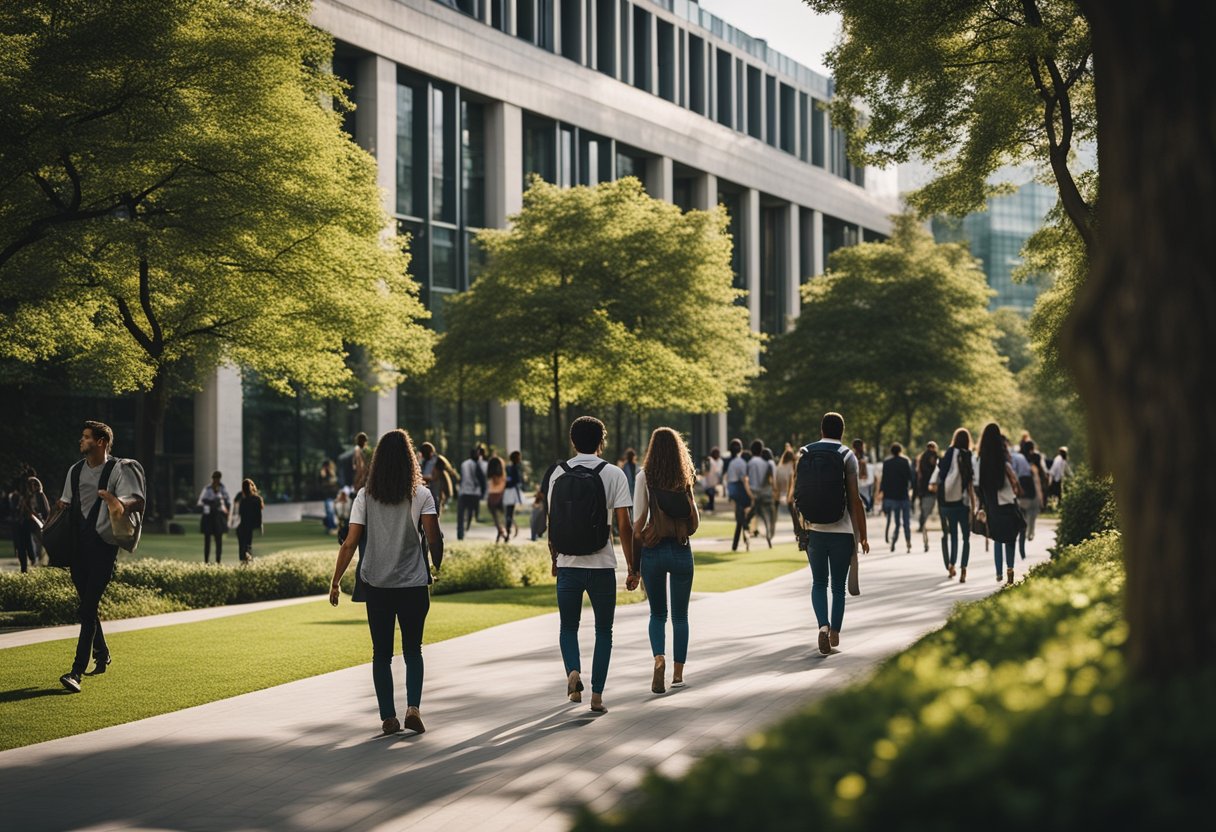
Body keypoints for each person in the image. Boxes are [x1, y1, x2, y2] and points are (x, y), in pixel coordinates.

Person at [329, 428, 444, 736]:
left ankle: (388, 718)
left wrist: (335, 581)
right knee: (413, 650)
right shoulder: (421, 494)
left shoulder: (365, 496)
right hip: (413, 584)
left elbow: (350, 543)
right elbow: (433, 537)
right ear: (411, 461)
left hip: (376, 584)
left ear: (377, 461)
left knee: (381, 654)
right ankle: (413, 709)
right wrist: (437, 564)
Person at [547, 416, 637, 714]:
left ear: (573, 441)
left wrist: (554, 559)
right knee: (604, 631)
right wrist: (632, 567)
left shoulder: (557, 473)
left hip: (568, 563)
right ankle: (597, 696)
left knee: (568, 627)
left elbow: (553, 521)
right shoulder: (614, 473)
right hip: (601, 565)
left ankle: (573, 671)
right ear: (602, 441)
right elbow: (624, 526)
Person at [56, 421, 145, 693]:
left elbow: (138, 500)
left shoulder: (119, 469)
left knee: (87, 607)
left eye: (86, 437)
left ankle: (76, 672)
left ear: (102, 442)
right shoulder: (74, 471)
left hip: (104, 548)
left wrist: (120, 504)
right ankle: (102, 652)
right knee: (88, 606)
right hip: (78, 549)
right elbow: (66, 504)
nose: (81, 441)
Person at [791, 412, 870, 655]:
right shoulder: (847, 455)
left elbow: (798, 494)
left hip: (814, 530)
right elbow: (855, 499)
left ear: (822, 430)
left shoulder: (804, 452)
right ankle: (835, 631)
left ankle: (822, 627)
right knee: (837, 586)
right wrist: (864, 535)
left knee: (818, 582)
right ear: (842, 431)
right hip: (842, 531)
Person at [632, 427, 699, 694]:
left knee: (657, 614)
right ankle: (678, 674)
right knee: (680, 616)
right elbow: (695, 520)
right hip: (681, 549)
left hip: (654, 551)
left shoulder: (643, 478)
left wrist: (634, 566)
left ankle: (658, 658)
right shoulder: (685, 477)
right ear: (678, 451)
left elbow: (638, 523)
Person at [929, 429, 978, 581]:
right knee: (966, 538)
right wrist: (973, 504)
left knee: (954, 536)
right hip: (963, 502)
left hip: (947, 502)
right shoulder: (969, 455)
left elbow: (941, 473)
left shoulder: (950, 452)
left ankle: (951, 565)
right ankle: (964, 569)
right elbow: (971, 481)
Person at [979, 424, 1023, 585]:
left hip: (992, 504)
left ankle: (998, 573)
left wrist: (983, 505)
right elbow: (1013, 480)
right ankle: (1010, 570)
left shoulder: (981, 460)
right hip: (1007, 501)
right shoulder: (1003, 457)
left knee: (997, 538)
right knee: (1010, 537)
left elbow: (980, 485)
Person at [878, 444, 914, 553]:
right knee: (906, 522)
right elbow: (910, 478)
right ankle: (908, 542)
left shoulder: (887, 463)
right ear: (900, 451)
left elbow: (884, 479)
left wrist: (881, 492)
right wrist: (911, 488)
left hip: (892, 496)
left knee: (897, 522)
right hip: (903, 495)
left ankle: (893, 541)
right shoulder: (905, 462)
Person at [1017, 439, 1047, 556]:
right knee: (1033, 513)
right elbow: (1038, 482)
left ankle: (1024, 532)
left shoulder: (1019, 460)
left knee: (1023, 514)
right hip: (1032, 493)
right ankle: (1030, 532)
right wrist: (1041, 498)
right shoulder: (1034, 464)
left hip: (1021, 494)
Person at [744, 441, 776, 547]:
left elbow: (746, 479)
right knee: (764, 516)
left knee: (748, 517)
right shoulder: (765, 463)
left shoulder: (750, 463)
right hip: (763, 494)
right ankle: (768, 538)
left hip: (753, 494)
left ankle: (747, 537)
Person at [16, 476, 50, 572]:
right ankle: (25, 567)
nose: (30, 487)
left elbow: (45, 510)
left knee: (40, 544)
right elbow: (20, 511)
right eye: (29, 485)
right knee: (24, 546)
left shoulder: (40, 495)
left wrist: (40, 519)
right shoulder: (26, 497)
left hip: (37, 524)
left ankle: (41, 562)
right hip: (26, 524)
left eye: (33, 484)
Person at [723, 438, 752, 552]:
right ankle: (747, 532)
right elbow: (744, 479)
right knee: (743, 517)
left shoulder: (730, 462)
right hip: (739, 488)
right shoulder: (742, 462)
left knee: (740, 518)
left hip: (732, 488)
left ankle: (736, 544)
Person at [197, 471, 231, 564]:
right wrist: (210, 502)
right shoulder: (207, 489)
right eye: (215, 478)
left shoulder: (222, 489)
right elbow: (201, 501)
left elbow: (227, 501)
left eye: (218, 478)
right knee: (207, 540)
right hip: (208, 516)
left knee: (218, 540)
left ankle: (218, 560)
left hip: (218, 516)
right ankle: (206, 560)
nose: (216, 480)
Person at [914, 442, 940, 553]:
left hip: (923, 490)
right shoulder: (934, 455)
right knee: (934, 514)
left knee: (924, 515)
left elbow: (918, 476)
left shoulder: (921, 458)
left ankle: (925, 541)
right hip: (934, 490)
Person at [457, 446, 486, 540]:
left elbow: (461, 478)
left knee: (461, 514)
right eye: (478, 454)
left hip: (464, 492)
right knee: (470, 511)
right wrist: (483, 492)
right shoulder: (479, 465)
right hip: (474, 493)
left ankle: (461, 533)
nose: (479, 456)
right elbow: (482, 480)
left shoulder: (464, 464)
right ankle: (467, 528)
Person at [234, 478, 264, 563]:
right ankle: (248, 560)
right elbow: (259, 515)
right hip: (252, 526)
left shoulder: (243, 500)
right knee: (248, 545)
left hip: (244, 526)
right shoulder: (258, 499)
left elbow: (240, 514)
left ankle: (243, 561)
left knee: (242, 545)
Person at [485, 455, 508, 542]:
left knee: (495, 518)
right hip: (500, 496)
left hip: (491, 497)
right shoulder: (502, 476)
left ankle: (500, 531)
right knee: (503, 516)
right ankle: (503, 531)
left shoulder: (491, 477)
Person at [504, 450, 525, 540]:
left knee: (509, 512)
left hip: (507, 491)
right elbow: (516, 482)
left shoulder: (507, 467)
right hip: (512, 492)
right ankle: (508, 531)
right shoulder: (515, 468)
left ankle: (508, 531)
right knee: (510, 513)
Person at [775, 448, 796, 530]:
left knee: (774, 511)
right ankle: (796, 529)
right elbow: (791, 484)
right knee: (793, 514)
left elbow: (776, 482)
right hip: (788, 494)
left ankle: (771, 528)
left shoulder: (778, 468)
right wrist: (789, 496)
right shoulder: (791, 468)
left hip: (779, 493)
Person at [852, 440, 875, 514]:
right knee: (867, 495)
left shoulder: (851, 456)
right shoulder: (866, 456)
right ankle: (868, 507)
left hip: (856, 482)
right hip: (867, 481)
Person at [702, 446, 723, 512]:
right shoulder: (712, 461)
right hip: (710, 483)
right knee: (710, 495)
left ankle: (709, 507)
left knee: (711, 496)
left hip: (710, 483)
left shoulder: (714, 461)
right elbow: (706, 472)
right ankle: (709, 507)